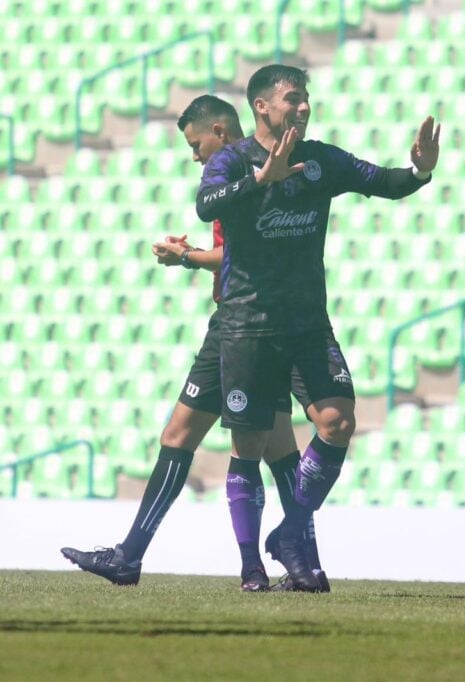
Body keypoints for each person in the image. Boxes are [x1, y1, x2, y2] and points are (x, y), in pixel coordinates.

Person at [61, 95, 327, 593]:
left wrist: (187, 258)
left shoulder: (240, 181)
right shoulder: (242, 176)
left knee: (185, 436)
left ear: (221, 132)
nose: (195, 155)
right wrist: (193, 254)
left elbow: (236, 255)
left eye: (195, 143)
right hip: (255, 322)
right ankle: (306, 566)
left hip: (241, 327)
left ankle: (132, 556)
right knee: (276, 446)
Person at [195, 65, 439, 591]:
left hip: (307, 324)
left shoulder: (321, 159)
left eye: (306, 98)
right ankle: (251, 567)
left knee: (337, 422)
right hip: (248, 325)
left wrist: (418, 172)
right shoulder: (232, 160)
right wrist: (261, 179)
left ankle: (287, 533)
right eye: (292, 99)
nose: (303, 107)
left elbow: (384, 183)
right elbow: (204, 205)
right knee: (249, 447)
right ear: (261, 106)